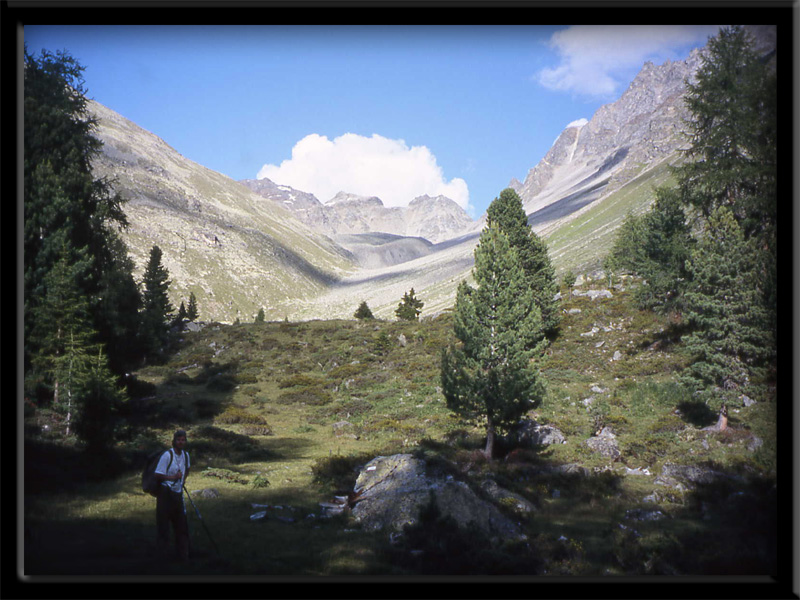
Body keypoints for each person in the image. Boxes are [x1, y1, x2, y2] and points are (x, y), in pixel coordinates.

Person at [155, 429, 191, 561]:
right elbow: (158, 474)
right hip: (165, 494)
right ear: (174, 441)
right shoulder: (167, 455)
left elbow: (187, 469)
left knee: (181, 525)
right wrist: (173, 477)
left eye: (183, 440)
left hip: (178, 494)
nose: (181, 442)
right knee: (163, 526)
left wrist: (182, 482)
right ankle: (162, 556)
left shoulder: (186, 455)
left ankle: (183, 555)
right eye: (178, 440)